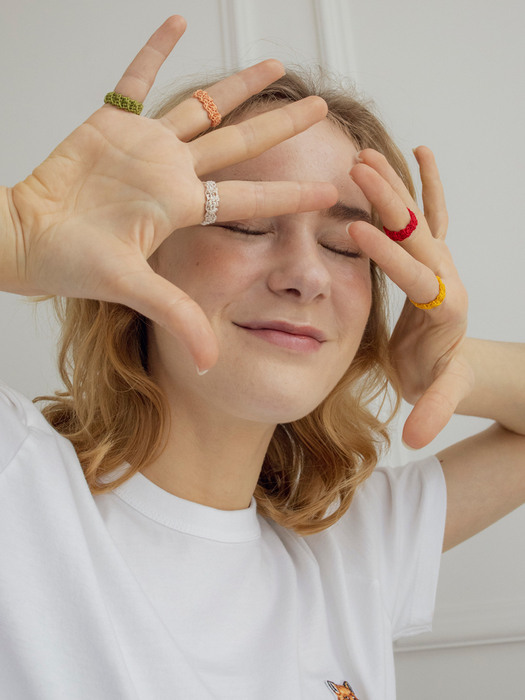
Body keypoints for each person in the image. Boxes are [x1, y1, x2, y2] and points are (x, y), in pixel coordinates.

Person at [0, 14, 523, 700]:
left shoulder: (354, 548)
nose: (304, 274)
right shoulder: (21, 487)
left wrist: (443, 366)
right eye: (246, 224)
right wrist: (16, 233)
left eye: (346, 247)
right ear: (140, 256)